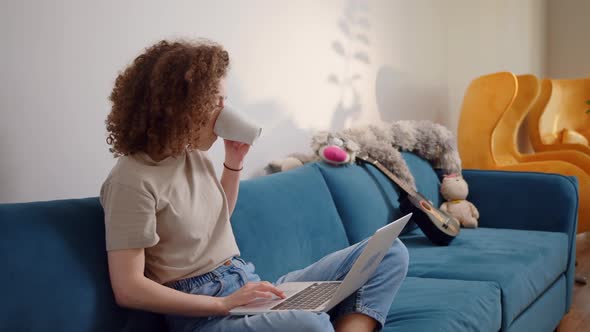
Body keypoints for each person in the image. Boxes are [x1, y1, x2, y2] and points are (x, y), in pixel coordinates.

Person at [100, 39, 409, 332]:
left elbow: (217, 218)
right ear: (177, 107)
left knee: (389, 252)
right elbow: (128, 288)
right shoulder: (130, 181)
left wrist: (233, 161)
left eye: (225, 100)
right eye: (214, 101)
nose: (224, 110)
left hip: (247, 285)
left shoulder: (190, 155)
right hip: (205, 317)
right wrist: (222, 304)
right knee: (309, 325)